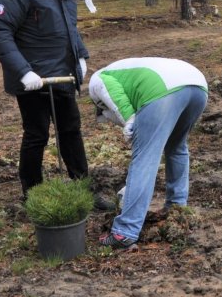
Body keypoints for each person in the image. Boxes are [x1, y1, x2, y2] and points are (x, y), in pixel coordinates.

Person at [0, 0, 99, 202]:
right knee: (36, 134)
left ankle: (83, 188)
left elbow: (69, 27)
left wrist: (80, 56)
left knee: (71, 129)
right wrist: (23, 72)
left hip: (62, 74)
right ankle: (33, 194)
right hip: (34, 79)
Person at [88, 57, 209, 249]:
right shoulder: (128, 72)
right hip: (197, 85)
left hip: (162, 89)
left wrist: (128, 118)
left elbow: (109, 90)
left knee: (145, 158)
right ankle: (177, 210)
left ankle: (125, 232)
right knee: (176, 148)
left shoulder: (98, 79)